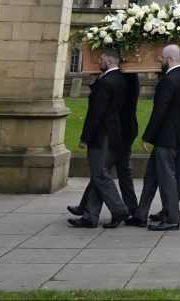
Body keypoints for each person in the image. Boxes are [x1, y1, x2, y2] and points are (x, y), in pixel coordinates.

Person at [126, 44, 180, 231]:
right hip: (179, 135)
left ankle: (172, 218)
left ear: (170, 59)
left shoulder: (168, 80)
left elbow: (160, 111)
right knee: (151, 176)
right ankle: (141, 214)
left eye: (162, 58)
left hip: (166, 137)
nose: (160, 61)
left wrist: (147, 136)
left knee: (166, 178)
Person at [67, 49, 131, 228]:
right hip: (114, 133)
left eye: (101, 59)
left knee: (100, 175)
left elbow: (96, 113)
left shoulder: (105, 83)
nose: (98, 62)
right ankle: (89, 216)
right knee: (99, 174)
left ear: (109, 61)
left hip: (101, 135)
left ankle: (119, 210)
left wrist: (85, 138)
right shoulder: (120, 79)